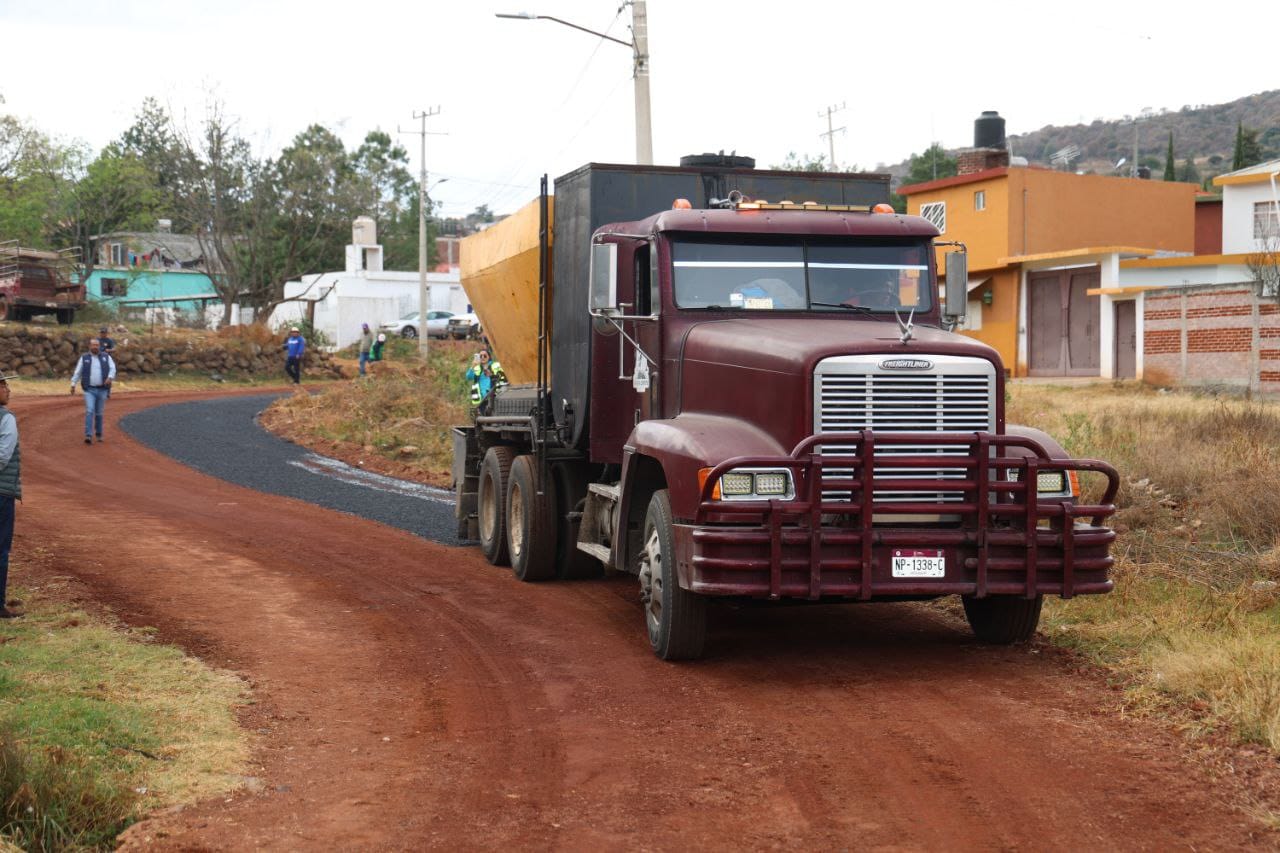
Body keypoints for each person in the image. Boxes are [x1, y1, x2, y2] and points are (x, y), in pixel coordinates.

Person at [0, 372, 20, 619]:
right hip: (2, 493)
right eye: (4, 385)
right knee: (1, 549)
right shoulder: (6, 419)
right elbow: (3, 457)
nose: (8, 390)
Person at [70, 337, 116, 444]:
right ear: (89, 346)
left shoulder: (106, 357)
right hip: (89, 389)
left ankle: (99, 434)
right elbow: (78, 372)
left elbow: (112, 368)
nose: (95, 347)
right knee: (90, 411)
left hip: (102, 389)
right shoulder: (84, 358)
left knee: (99, 413)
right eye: (93, 345)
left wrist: (110, 377)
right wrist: (73, 384)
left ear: (99, 346)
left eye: (97, 345)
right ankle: (88, 435)